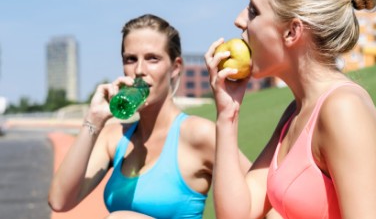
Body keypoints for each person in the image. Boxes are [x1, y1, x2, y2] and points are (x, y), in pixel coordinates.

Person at [205, 0, 376, 219]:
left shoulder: (343, 109)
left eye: (253, 11)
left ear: (292, 32)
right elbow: (239, 214)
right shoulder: (296, 112)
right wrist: (227, 114)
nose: (239, 20)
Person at [48, 14, 250, 218]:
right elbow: (59, 200)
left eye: (152, 58)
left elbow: (263, 200)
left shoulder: (199, 134)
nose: (139, 70)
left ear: (175, 67)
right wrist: (93, 120)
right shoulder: (114, 138)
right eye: (130, 59)